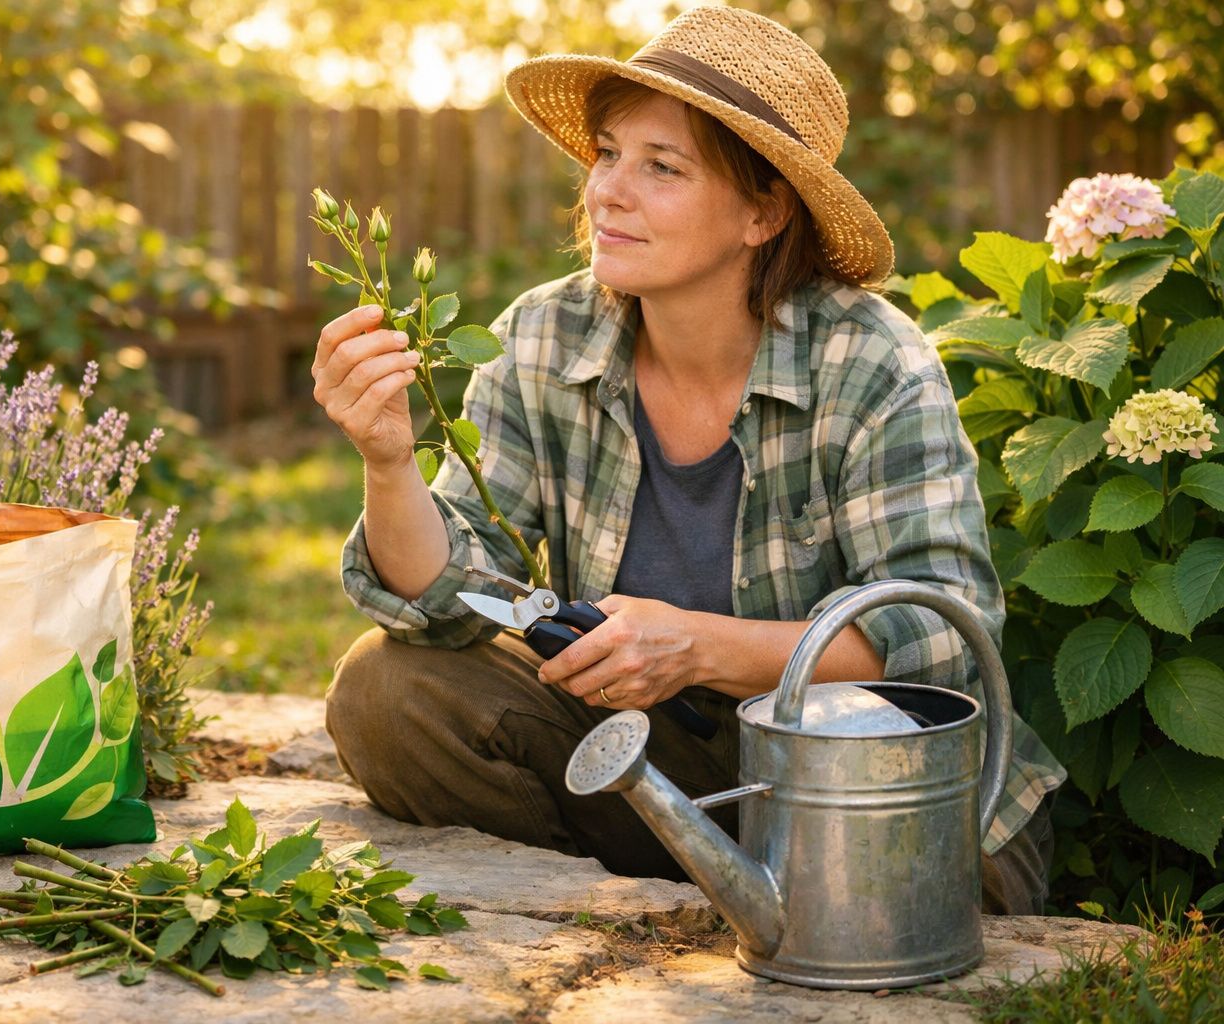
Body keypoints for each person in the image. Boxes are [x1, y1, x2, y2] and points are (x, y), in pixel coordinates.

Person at [309, 4, 1065, 914]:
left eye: (661, 167)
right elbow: (451, 600)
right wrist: (388, 463)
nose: (606, 192)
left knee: (883, 886)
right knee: (387, 690)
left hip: (873, 786)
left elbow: (940, 641)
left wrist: (694, 646)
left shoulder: (871, 362)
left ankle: (760, 904)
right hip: (665, 761)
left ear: (762, 211)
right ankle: (636, 910)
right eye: (607, 153)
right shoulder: (544, 337)